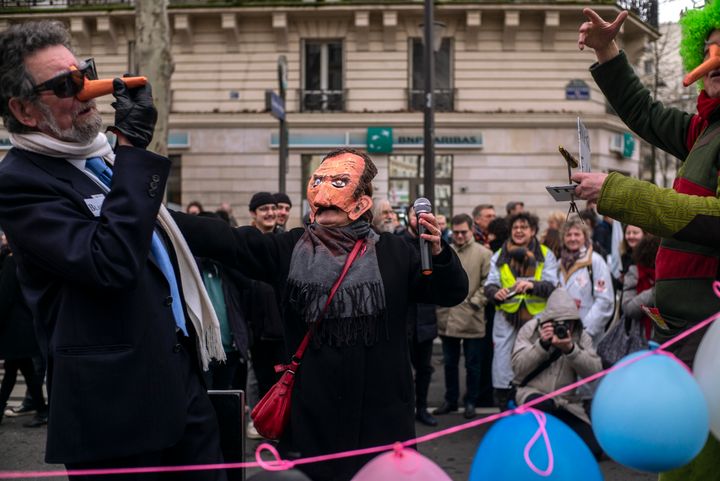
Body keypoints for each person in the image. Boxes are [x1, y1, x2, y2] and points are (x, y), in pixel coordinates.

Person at [0, 21, 226, 480]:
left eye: (85, 73)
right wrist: (132, 151)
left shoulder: (97, 163)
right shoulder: (20, 181)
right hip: (115, 416)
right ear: (25, 110)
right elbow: (110, 262)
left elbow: (169, 231)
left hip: (179, 389)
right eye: (67, 85)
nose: (86, 91)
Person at [172, 147, 468, 481]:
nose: (325, 196)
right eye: (319, 182)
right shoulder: (290, 249)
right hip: (312, 415)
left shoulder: (395, 252)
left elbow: (451, 292)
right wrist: (153, 207)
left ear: (361, 202)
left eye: (338, 184)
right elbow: (226, 240)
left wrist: (440, 253)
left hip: (382, 418)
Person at [575, 7, 720, 478]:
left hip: (711, 340)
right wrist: (606, 50)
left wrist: (617, 191)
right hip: (686, 335)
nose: (712, 60)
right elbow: (647, 114)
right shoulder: (708, 129)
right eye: (709, 49)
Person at [511, 288, 603, 459]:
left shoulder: (581, 336)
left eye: (568, 323)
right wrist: (541, 346)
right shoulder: (531, 330)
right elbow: (517, 368)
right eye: (558, 323)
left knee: (593, 450)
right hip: (533, 395)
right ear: (548, 321)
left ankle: (556, 443)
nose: (563, 327)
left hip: (566, 403)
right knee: (542, 406)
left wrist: (571, 350)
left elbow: (595, 373)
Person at [484, 212, 558, 410]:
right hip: (507, 319)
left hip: (536, 320)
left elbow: (552, 286)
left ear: (533, 231)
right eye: (515, 227)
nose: (518, 231)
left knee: (535, 363)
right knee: (503, 365)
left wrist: (532, 286)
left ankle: (534, 408)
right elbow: (489, 284)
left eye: (523, 227)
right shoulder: (500, 254)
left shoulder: (545, 254)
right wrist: (494, 292)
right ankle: (503, 406)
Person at [434, 214, 492, 419]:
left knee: (472, 365)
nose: (459, 236)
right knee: (449, 363)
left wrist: (476, 302)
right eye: (456, 232)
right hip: (448, 316)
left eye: (463, 232)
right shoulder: (444, 250)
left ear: (471, 230)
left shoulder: (483, 253)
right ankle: (450, 400)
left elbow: (489, 282)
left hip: (471, 316)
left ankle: (471, 401)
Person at [397, 205, 441, 427]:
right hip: (404, 319)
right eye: (416, 216)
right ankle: (404, 409)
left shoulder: (432, 243)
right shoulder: (397, 242)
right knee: (402, 370)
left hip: (424, 318)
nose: (419, 220)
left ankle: (422, 407)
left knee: (424, 368)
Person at [0, 243, 48, 428]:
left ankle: (42, 410)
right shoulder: (21, 260)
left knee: (20, 371)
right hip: (22, 327)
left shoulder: (12, 262)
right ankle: (41, 409)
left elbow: (5, 296)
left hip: (15, 329)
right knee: (20, 371)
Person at [557, 216, 614, 346]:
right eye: (568, 235)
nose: (572, 238)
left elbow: (605, 300)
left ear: (585, 237)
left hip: (588, 335)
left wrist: (585, 330)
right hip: (563, 334)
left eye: (577, 234)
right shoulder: (558, 264)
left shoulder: (595, 261)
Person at [622, 234, 660, 340]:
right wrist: (654, 292)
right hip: (639, 338)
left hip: (663, 338)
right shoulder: (635, 273)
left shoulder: (667, 275)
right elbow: (629, 308)